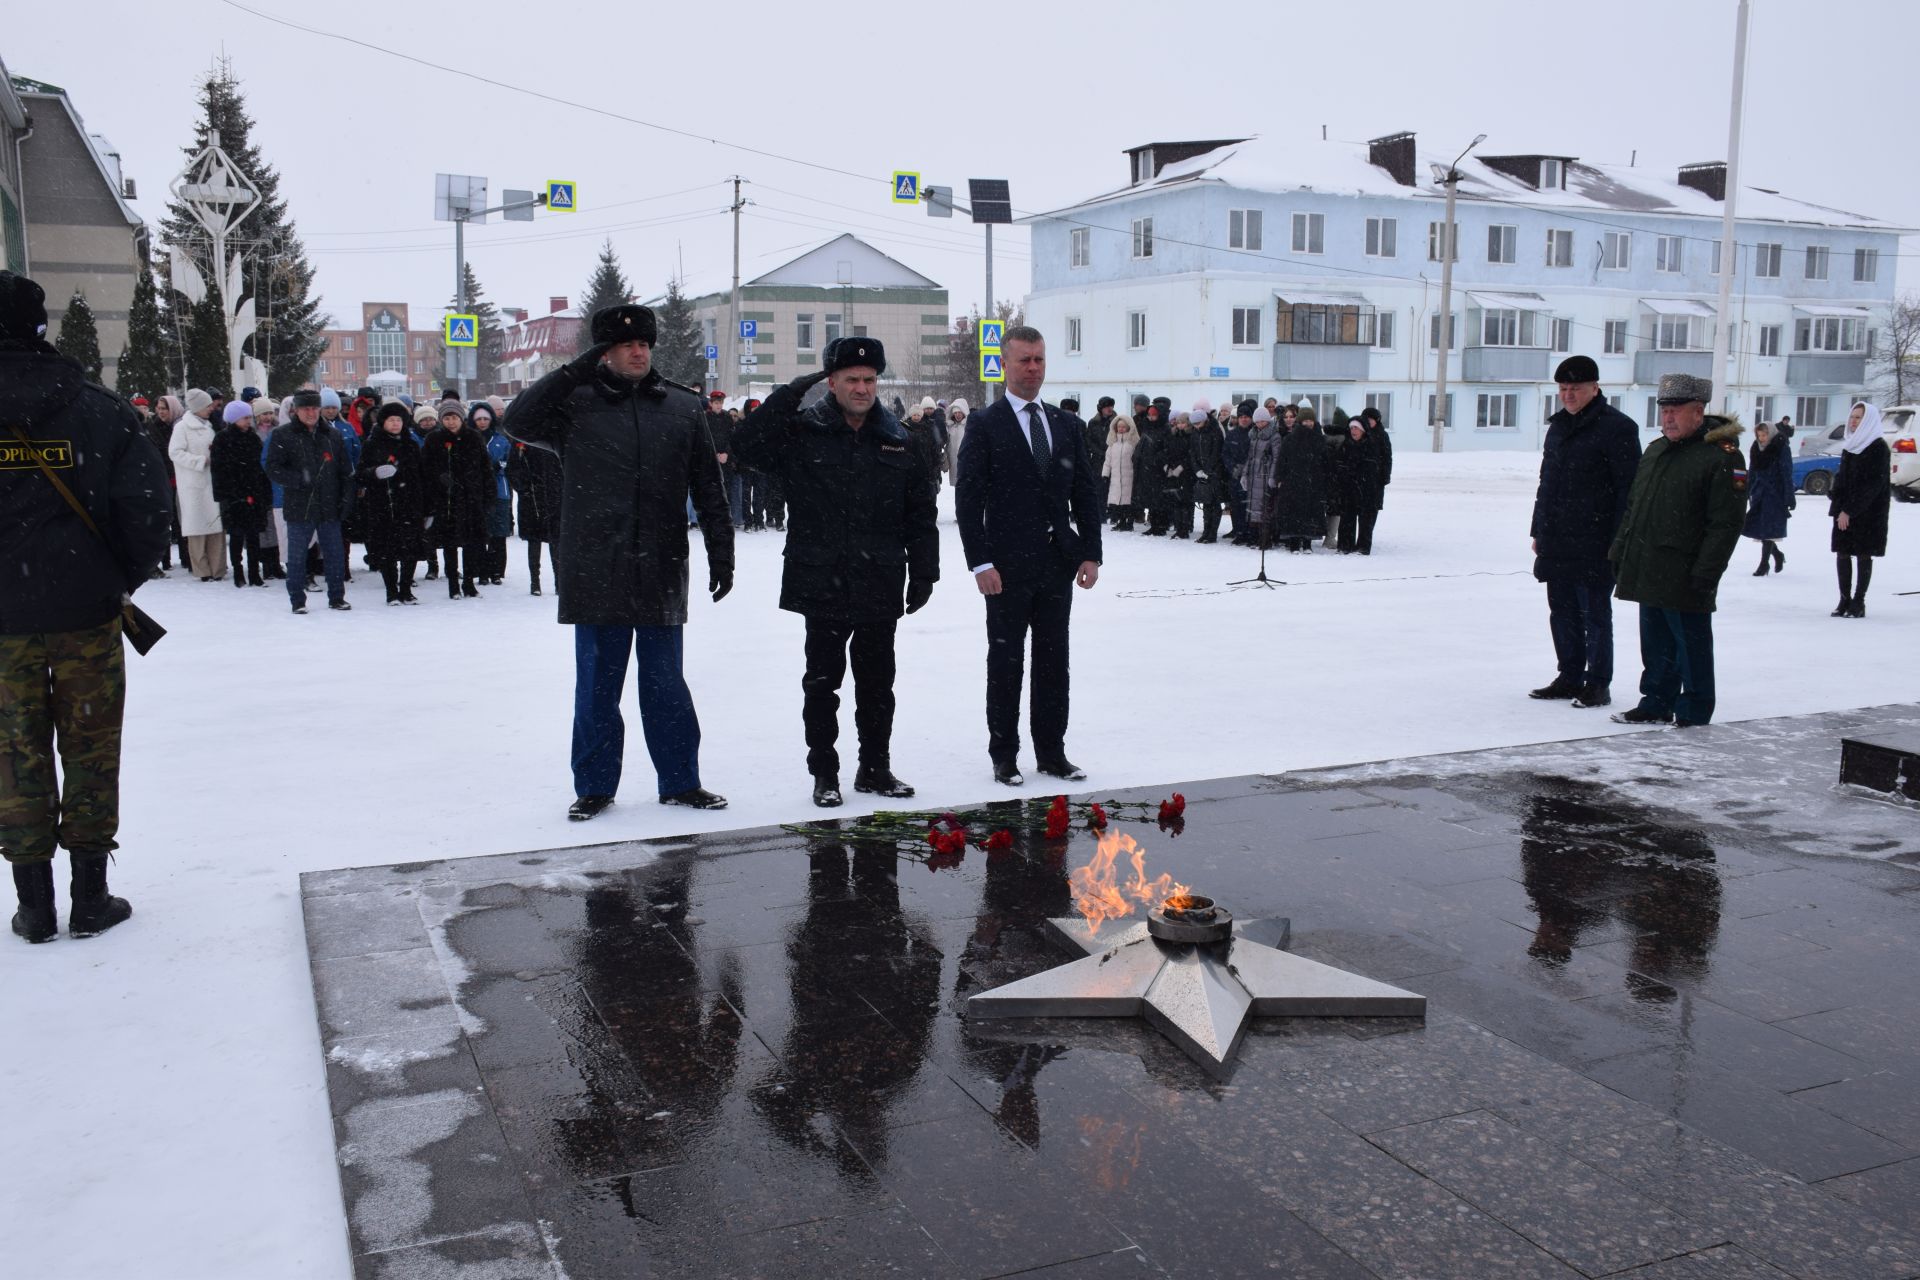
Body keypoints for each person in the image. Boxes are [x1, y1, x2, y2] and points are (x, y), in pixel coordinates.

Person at [502, 303, 733, 819]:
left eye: (644, 344)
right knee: (598, 685)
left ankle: (680, 780)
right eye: (625, 344)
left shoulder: (680, 406)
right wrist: (573, 371)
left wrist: (722, 550)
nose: (638, 351)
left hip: (661, 564)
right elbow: (516, 421)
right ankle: (595, 786)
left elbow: (709, 487)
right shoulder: (574, 404)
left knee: (666, 684)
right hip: (595, 564)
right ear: (603, 352)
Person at [0, 270, 171, 942]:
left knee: (13, 751)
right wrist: (115, 578)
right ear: (40, 328)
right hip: (84, 610)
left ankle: (34, 903)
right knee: (91, 747)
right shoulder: (98, 410)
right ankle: (90, 897)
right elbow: (147, 512)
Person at [734, 337, 939, 807]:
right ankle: (824, 772)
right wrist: (790, 392)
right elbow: (744, 445)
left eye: (869, 379)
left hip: (879, 578)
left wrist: (925, 572)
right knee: (822, 683)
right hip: (821, 578)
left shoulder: (898, 438)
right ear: (831, 382)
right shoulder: (803, 430)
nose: (863, 387)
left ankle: (874, 768)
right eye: (852, 379)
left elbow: (920, 511)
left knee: (877, 684)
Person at [954, 325, 1103, 785]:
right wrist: (980, 562)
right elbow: (969, 499)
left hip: (1057, 563)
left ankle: (1052, 752)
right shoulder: (985, 424)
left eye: (1039, 359)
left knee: (1054, 661)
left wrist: (1090, 552)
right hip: (1005, 568)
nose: (1033, 368)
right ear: (1005, 364)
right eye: (1024, 360)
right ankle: (1004, 754)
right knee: (1006, 662)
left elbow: (1085, 492)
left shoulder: (1065, 424)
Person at [1608, 374, 1744, 727]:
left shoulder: (1721, 456)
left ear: (1698, 412)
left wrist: (1706, 572)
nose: (1667, 418)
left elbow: (1725, 524)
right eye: (1664, 410)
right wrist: (1621, 548)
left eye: (1675, 410)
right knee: (1655, 644)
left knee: (1691, 647)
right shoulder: (1656, 451)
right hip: (1649, 562)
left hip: (1687, 571)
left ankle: (1694, 711)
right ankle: (1656, 701)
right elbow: (1635, 506)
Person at [1529, 356, 1642, 709]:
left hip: (1597, 539)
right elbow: (1547, 484)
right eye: (1562, 389)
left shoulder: (1618, 428)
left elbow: (1629, 491)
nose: (1568, 395)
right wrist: (1539, 530)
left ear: (1595, 388)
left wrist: (1618, 539)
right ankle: (1570, 675)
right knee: (1561, 610)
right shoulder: (1558, 427)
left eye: (1575, 388)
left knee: (1595, 613)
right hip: (1558, 538)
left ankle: (1598, 682)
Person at [263, 388, 356, 614]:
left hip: (329, 505)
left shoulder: (332, 435)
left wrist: (346, 499)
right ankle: (297, 600)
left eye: (315, 408)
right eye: (306, 408)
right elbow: (272, 467)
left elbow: (345, 470)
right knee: (296, 556)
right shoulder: (283, 434)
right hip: (299, 505)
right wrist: (298, 479)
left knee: (334, 555)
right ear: (296, 410)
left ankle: (336, 597)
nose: (311, 413)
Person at [354, 402, 428, 605]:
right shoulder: (372, 444)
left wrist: (425, 505)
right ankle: (391, 591)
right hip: (383, 504)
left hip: (409, 503)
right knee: (387, 550)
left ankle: (405, 588)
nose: (396, 424)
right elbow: (359, 474)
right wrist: (375, 472)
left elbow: (421, 475)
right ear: (383, 422)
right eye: (391, 420)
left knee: (410, 549)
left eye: (399, 420)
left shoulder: (411, 444)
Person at [420, 402, 491, 599]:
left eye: (455, 418)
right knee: (449, 545)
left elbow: (485, 468)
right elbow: (425, 470)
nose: (451, 422)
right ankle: (453, 584)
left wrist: (486, 495)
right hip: (445, 501)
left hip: (470, 499)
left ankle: (469, 583)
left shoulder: (473, 437)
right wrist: (439, 479)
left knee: (471, 544)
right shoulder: (433, 439)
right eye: (447, 418)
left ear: (462, 418)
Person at [1828, 399, 1891, 618]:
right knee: (1843, 553)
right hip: (1845, 510)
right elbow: (1844, 479)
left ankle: (1858, 601)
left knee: (1864, 554)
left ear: (1868, 421)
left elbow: (1873, 484)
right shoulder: (1850, 445)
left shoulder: (1878, 447)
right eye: (1852, 417)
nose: (1854, 422)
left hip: (1869, 512)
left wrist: (1850, 510)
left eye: (1859, 418)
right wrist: (1836, 501)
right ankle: (1844, 600)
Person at [210, 400, 271, 588]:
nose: (248, 422)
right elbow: (218, 469)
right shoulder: (222, 439)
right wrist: (226, 495)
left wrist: (263, 491)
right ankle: (238, 571)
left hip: (253, 493)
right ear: (234, 419)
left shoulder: (253, 438)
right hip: (234, 495)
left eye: (249, 418)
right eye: (244, 418)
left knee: (253, 536)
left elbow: (261, 467)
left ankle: (254, 572)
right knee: (236, 536)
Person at [169, 388, 226, 581]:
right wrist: (199, 461)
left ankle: (218, 568)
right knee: (197, 529)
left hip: (212, 482)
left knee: (215, 527)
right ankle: (202, 570)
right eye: (207, 405)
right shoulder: (182, 427)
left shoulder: (210, 426)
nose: (211, 408)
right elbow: (175, 452)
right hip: (193, 484)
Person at [506, 426, 563, 596]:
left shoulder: (554, 435)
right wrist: (524, 488)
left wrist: (561, 488)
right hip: (531, 498)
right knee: (534, 540)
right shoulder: (523, 437)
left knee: (556, 541)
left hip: (554, 495)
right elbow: (513, 467)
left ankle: (559, 581)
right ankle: (534, 581)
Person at [1742, 419, 1793, 577]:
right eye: (1759, 435)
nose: (1762, 438)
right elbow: (1752, 470)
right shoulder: (1756, 448)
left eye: (1764, 435)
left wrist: (1789, 496)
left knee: (1768, 529)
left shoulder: (1780, 447)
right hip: (1759, 493)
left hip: (1775, 493)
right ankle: (1777, 554)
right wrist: (1747, 491)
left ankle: (1764, 564)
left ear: (1771, 433)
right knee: (1761, 528)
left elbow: (1786, 472)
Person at [1273, 404, 1327, 552]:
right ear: (1301, 421)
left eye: (1311, 420)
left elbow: (1324, 461)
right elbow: (1282, 461)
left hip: (1313, 482)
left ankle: (1308, 543)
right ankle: (1295, 543)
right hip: (1293, 481)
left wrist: (1324, 479)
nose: (1308, 423)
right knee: (1294, 513)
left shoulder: (1320, 439)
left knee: (1310, 514)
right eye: (1306, 420)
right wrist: (1280, 478)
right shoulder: (1291, 439)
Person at [472, 401, 513, 584]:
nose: (482, 422)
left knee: (498, 533)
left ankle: (496, 571)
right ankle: (481, 571)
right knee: (481, 533)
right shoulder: (470, 439)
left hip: (499, 491)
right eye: (479, 419)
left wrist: (498, 466)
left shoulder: (500, 440)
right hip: (477, 492)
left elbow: (509, 462)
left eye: (485, 419)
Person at [1353, 406, 1393, 553]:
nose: (1368, 422)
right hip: (1360, 482)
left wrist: (1384, 476)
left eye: (1370, 419)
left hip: (1375, 483)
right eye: (1366, 419)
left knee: (1369, 516)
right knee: (1359, 514)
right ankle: (1357, 543)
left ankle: (1364, 545)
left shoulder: (1382, 435)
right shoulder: (1361, 434)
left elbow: (1387, 458)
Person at [1241, 407, 1283, 547]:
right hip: (1254, 475)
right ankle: (1254, 537)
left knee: (1264, 509)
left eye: (1262, 421)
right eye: (1257, 421)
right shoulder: (1253, 435)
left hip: (1264, 474)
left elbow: (1276, 458)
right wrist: (1245, 474)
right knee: (1253, 508)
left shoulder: (1274, 436)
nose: (1259, 424)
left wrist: (1272, 477)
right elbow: (1250, 457)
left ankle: (1265, 539)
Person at [704, 390, 742, 527]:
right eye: (716, 403)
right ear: (711, 403)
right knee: (712, 491)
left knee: (726, 490)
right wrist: (713, 454)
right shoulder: (705, 418)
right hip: (710, 460)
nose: (719, 405)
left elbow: (732, 438)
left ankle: (726, 518)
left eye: (721, 403)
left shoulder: (727, 418)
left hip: (726, 461)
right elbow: (704, 439)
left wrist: (726, 453)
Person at [1190, 404, 1227, 542]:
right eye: (1194, 424)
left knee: (1215, 503)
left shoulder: (1215, 430)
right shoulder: (1195, 432)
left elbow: (1216, 452)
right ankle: (1206, 531)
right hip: (1201, 471)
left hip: (1215, 472)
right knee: (1206, 503)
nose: (1196, 426)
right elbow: (1192, 452)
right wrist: (1197, 470)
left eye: (1198, 423)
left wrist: (1207, 470)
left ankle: (1212, 533)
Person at [1100, 414, 1138, 530]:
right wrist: (1105, 474)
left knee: (1128, 502)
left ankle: (1129, 522)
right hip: (1116, 478)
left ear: (1129, 427)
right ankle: (1121, 521)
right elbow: (1108, 460)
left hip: (1130, 477)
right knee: (1118, 502)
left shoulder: (1132, 444)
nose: (1121, 429)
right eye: (1119, 427)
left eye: (1123, 427)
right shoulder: (1113, 444)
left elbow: (1137, 460)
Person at [1222, 401, 1253, 543]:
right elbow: (1225, 454)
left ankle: (1248, 533)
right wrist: (1233, 468)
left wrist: (1245, 468)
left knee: (1248, 506)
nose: (1244, 419)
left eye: (1247, 416)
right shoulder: (1232, 434)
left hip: (1250, 476)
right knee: (1236, 505)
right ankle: (1238, 531)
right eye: (1241, 417)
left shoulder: (1254, 434)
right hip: (1234, 475)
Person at [1083, 396, 1115, 498]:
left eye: (1111, 406)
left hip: (1113, 459)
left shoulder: (1117, 422)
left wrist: (1110, 452)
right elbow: (1089, 441)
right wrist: (1100, 452)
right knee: (1098, 488)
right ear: (1101, 408)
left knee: (1112, 488)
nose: (1109, 409)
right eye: (1106, 406)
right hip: (1098, 461)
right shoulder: (1093, 422)